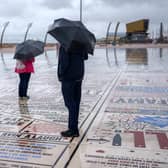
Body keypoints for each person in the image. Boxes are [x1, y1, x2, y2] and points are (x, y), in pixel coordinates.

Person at [58, 41, 88, 137]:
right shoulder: (82, 44)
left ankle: (73, 129)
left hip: (68, 78)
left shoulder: (65, 44)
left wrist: (60, 75)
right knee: (75, 102)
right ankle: (74, 127)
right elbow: (85, 57)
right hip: (79, 76)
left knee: (70, 103)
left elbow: (64, 62)